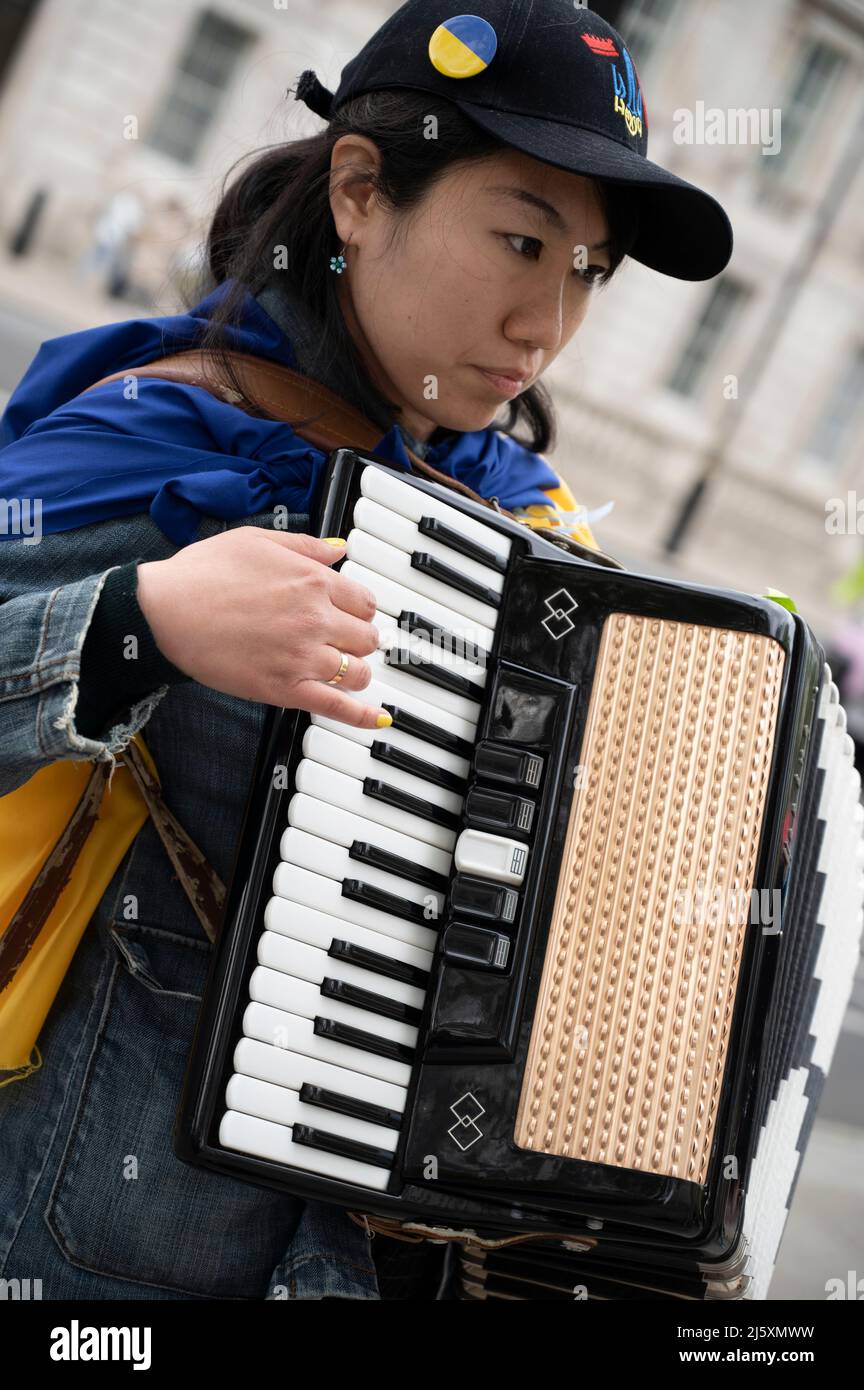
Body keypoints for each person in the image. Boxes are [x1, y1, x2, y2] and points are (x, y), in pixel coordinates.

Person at [0, 2, 732, 1300]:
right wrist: (139, 622)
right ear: (357, 192)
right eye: (521, 240)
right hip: (99, 1253)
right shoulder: (166, 435)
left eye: (588, 268)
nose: (549, 321)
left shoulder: (529, 523)